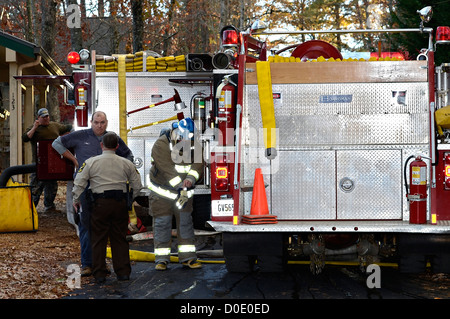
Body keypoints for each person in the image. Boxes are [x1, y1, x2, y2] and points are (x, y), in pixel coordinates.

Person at [52, 111, 134, 277]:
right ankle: (88, 264)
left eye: (102, 122)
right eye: (96, 122)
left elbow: (128, 155)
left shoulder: (113, 139)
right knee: (85, 226)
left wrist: (123, 174)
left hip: (105, 191)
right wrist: (74, 160)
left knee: (107, 229)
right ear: (91, 122)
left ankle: (101, 267)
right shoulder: (80, 135)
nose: (99, 125)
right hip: (85, 188)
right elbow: (56, 143)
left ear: (107, 123)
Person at [72, 132, 142, 283]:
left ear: (101, 145)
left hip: (99, 204)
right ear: (117, 146)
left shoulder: (91, 162)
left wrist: (76, 199)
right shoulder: (127, 163)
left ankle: (99, 274)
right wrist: (130, 199)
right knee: (120, 239)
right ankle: (123, 272)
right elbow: (137, 186)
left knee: (98, 239)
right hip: (120, 204)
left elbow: (79, 182)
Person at [148, 118, 203, 270]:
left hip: (183, 191)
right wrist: (181, 185)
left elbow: (198, 165)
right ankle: (161, 259)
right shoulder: (161, 144)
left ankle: (188, 258)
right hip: (162, 192)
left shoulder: (193, 143)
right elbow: (167, 169)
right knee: (162, 223)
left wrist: (191, 179)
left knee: (185, 223)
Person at [23, 108, 72, 212]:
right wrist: (35, 127)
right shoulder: (34, 128)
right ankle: (30, 208)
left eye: (47, 116)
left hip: (52, 161)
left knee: (52, 185)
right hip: (39, 162)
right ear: (38, 118)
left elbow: (68, 127)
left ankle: (49, 206)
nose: (46, 119)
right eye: (43, 117)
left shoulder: (55, 126)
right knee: (36, 186)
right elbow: (25, 138)